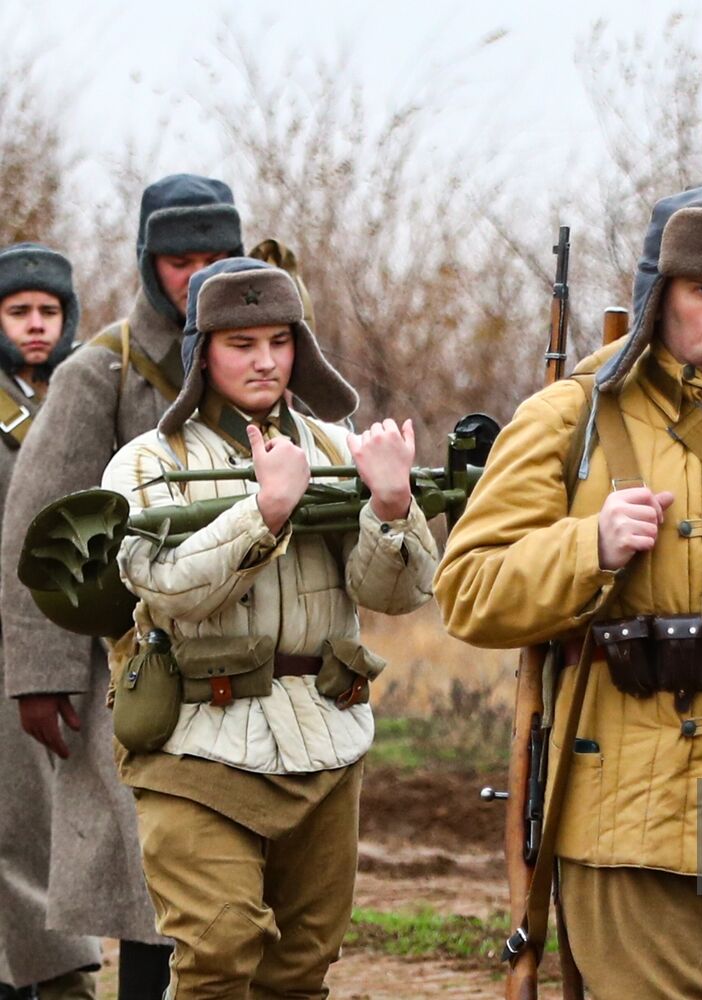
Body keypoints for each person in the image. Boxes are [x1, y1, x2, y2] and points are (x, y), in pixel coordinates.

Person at [433, 183, 702, 999]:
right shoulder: (572, 417)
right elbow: (469, 589)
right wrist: (587, 545)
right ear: (659, 296)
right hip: (638, 808)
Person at [101, 257, 437, 996]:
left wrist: (391, 509)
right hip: (195, 743)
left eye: (280, 341)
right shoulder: (149, 462)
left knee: (302, 966)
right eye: (240, 343)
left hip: (325, 737)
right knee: (218, 950)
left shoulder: (338, 451)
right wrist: (266, 510)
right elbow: (169, 588)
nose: (264, 360)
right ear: (201, 353)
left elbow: (399, 593)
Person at [1, 173, 246, 998]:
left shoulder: (266, 356)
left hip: (252, 654)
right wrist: (40, 675)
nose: (196, 276)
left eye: (214, 258)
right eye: (179, 261)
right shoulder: (102, 370)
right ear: (149, 262)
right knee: (153, 880)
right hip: (138, 663)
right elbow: (40, 532)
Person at [0, 242, 98, 1000]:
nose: (36, 324)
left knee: (65, 827)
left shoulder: (83, 394)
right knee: (19, 827)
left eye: (49, 310)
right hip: (8, 643)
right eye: (18, 311)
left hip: (72, 639)